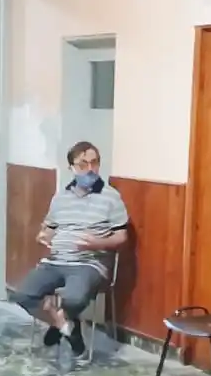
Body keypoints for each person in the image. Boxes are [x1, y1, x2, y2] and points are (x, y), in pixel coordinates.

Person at [9, 141, 129, 356]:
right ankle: (65, 324)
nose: (90, 169)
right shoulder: (60, 197)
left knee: (74, 299)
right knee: (23, 295)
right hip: (55, 260)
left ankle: (60, 325)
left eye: (94, 163)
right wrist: (43, 235)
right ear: (71, 168)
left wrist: (98, 243)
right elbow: (49, 227)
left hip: (89, 262)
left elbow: (121, 236)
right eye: (83, 164)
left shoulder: (111, 197)